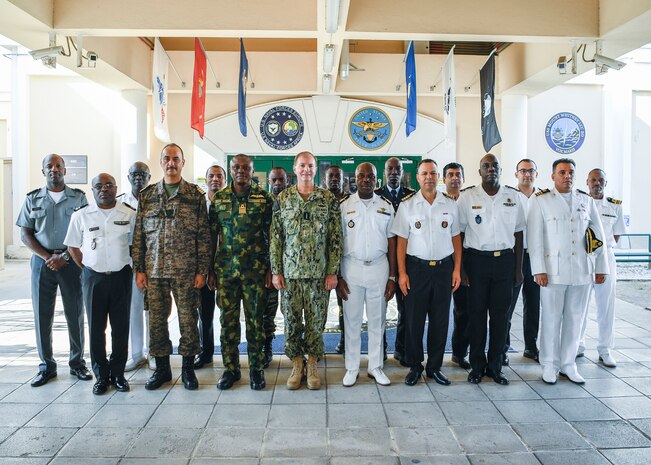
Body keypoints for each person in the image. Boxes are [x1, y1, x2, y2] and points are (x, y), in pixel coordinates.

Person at [132, 143, 210, 391]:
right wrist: (139, 269)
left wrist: (202, 270)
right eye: (167, 158)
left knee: (188, 321)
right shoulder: (147, 196)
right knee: (156, 322)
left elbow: (204, 237)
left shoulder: (195, 196)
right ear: (161, 162)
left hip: (186, 272)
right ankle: (163, 369)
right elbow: (139, 237)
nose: (171, 163)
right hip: (154, 271)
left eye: (176, 159)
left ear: (183, 162)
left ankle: (188, 368)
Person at [528, 158, 609, 385]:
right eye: (562, 172)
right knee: (552, 319)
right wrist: (539, 270)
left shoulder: (586, 200)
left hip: (581, 271)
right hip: (552, 272)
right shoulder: (541, 200)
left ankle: (568, 364)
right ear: (553, 176)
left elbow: (598, 234)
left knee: (575, 319)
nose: (567, 176)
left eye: (571, 172)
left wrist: (601, 268)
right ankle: (550, 365)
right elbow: (535, 239)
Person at [17, 154, 92, 387]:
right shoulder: (32, 199)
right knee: (42, 315)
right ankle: (47, 366)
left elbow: (86, 232)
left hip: (71, 262)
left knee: (75, 313)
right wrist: (48, 257)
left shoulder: (79, 198)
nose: (54, 169)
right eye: (49, 166)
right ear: (43, 172)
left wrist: (66, 256)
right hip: (42, 263)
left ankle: (77, 363)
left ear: (65, 170)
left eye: (58, 165)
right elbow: (25, 234)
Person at [270, 151, 342, 390]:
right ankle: (296, 364)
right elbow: (276, 238)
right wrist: (276, 271)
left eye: (310, 166)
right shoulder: (283, 199)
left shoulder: (328, 199)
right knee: (291, 323)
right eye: (302, 165)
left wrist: (332, 271)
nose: (306, 170)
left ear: (316, 168)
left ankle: (312, 364)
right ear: (295, 168)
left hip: (319, 275)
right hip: (290, 275)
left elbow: (335, 238)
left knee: (316, 322)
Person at [64, 173, 136, 395]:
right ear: (93, 190)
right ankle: (101, 376)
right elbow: (73, 247)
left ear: (116, 188)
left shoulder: (129, 213)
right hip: (93, 277)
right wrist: (86, 267)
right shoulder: (82, 215)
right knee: (96, 328)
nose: (104, 189)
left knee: (121, 327)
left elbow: (136, 245)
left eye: (108, 185)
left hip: (122, 276)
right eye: (99, 186)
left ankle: (119, 374)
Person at [392, 159, 462, 386]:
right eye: (424, 174)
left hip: (443, 269)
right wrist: (402, 274)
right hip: (416, 270)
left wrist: (457, 269)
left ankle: (434, 367)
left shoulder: (449, 204)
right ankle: (414, 366)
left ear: (438, 177)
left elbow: (456, 239)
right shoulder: (408, 205)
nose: (429, 177)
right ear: (418, 177)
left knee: (440, 321)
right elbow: (401, 242)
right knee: (413, 320)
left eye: (433, 173)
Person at [458, 154, 525, 386]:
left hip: (505, 263)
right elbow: (460, 233)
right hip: (476, 262)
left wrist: (518, 270)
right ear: (479, 171)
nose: (490, 169)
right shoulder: (467, 197)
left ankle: (495, 367)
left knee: (500, 318)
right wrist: (462, 269)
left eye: (494, 165)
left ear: (500, 169)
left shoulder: (513, 197)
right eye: (486, 165)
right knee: (476, 317)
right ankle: (477, 366)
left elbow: (518, 233)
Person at [210, 155, 274, 390]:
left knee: (256, 322)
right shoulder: (219, 199)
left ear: (252, 170)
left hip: (255, 273)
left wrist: (270, 269)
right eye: (236, 167)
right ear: (230, 169)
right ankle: (231, 369)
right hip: (226, 272)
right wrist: (210, 270)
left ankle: (256, 370)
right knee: (228, 322)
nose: (241, 171)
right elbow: (211, 237)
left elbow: (272, 238)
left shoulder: (263, 199)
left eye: (245, 167)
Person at [338, 162, 396, 387]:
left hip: (379, 267)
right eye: (361, 176)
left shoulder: (386, 206)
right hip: (351, 267)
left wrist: (392, 277)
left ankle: (375, 366)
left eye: (370, 176)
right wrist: (339, 276)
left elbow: (392, 242)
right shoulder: (345, 206)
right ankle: (352, 367)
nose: (365, 180)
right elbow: (337, 242)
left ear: (376, 179)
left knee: (377, 319)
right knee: (351, 320)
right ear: (355, 179)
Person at [577, 169, 625, 367]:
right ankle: (578, 345)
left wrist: (603, 251)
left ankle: (605, 350)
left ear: (605, 183)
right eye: (593, 180)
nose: (597, 183)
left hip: (606, 258)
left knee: (606, 306)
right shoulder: (580, 203)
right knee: (580, 304)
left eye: (600, 180)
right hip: (584, 258)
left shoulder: (614, 206)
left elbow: (616, 235)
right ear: (587, 183)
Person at [375, 157, 416, 366]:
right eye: (390, 169)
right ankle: (379, 350)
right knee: (379, 308)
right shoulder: (376, 196)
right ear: (384, 172)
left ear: (402, 172)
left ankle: (402, 349)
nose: (393, 172)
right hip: (382, 259)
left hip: (406, 259)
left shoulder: (411, 197)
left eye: (397, 169)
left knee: (406, 308)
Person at [505, 158, 542, 363]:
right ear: (516, 174)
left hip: (536, 256)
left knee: (533, 303)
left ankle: (531, 346)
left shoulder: (544, 197)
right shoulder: (509, 195)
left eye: (531, 171)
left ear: (537, 174)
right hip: (513, 256)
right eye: (523, 171)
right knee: (507, 303)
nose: (527, 174)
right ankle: (503, 346)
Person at [194, 164, 227, 369]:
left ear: (225, 180)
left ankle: (228, 352)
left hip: (227, 265)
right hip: (204, 266)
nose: (215, 179)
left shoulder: (229, 202)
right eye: (211, 176)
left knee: (228, 312)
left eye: (219, 176)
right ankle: (205, 352)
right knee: (204, 313)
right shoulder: (198, 203)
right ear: (205, 180)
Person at [123, 161, 152, 372]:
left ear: (150, 177)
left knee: (154, 310)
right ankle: (136, 354)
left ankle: (152, 352)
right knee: (133, 308)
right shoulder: (119, 204)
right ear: (128, 177)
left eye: (143, 174)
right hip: (130, 265)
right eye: (134, 173)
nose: (139, 177)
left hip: (154, 264)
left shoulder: (156, 199)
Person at [443, 162, 471, 370]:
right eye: (450, 175)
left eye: (458, 175)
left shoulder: (470, 200)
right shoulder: (437, 201)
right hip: (441, 263)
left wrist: (460, 269)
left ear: (463, 178)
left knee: (464, 311)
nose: (454, 178)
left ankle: (459, 353)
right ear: (443, 179)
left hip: (466, 263)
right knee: (438, 312)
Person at [262, 166, 289, 368]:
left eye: (281, 180)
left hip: (292, 266)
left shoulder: (293, 200)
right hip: (267, 267)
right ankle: (267, 348)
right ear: (269, 182)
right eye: (274, 180)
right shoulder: (262, 202)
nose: (278, 184)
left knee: (293, 311)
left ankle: (296, 349)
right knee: (267, 311)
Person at [325, 165, 349, 354]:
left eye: (337, 176)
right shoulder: (320, 200)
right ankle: (316, 345)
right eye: (331, 176)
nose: (334, 179)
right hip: (322, 264)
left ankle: (345, 340)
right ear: (325, 180)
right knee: (320, 307)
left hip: (346, 263)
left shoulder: (350, 202)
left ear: (343, 180)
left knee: (345, 306)